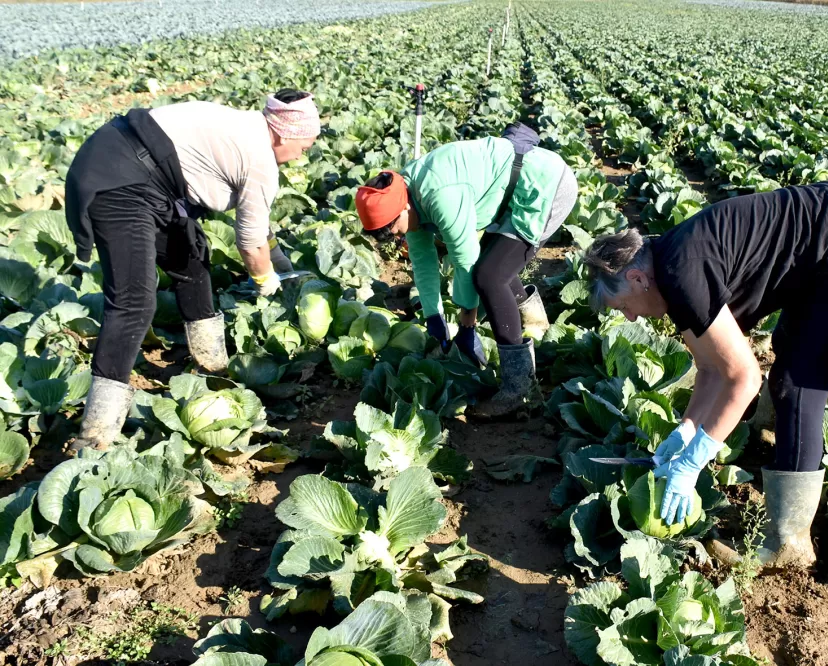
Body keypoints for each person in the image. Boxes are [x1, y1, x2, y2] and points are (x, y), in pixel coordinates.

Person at [583, 182, 828, 567]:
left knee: (797, 385)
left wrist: (692, 464)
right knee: (789, 350)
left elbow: (744, 378)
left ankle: (789, 543)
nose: (630, 317)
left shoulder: (681, 273)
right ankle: (781, 444)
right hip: (825, 244)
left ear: (637, 279)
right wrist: (687, 428)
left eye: (622, 306)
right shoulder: (668, 268)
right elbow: (711, 366)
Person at [64, 89, 321, 450]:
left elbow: (259, 228)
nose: (300, 157)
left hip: (149, 180)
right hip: (118, 178)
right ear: (285, 134)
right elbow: (249, 245)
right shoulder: (260, 158)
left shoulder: (250, 130)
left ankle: (214, 368)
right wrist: (268, 286)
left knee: (193, 260)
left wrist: (284, 268)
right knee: (134, 301)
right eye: (305, 147)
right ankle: (96, 432)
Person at [354, 134, 578, 417]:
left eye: (395, 229)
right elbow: (423, 262)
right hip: (513, 192)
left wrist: (467, 327)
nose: (397, 236)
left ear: (404, 208)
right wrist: (434, 317)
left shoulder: (438, 195)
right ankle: (534, 321)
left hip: (544, 188)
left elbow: (465, 261)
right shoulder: (405, 192)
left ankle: (519, 387)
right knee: (495, 264)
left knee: (489, 276)